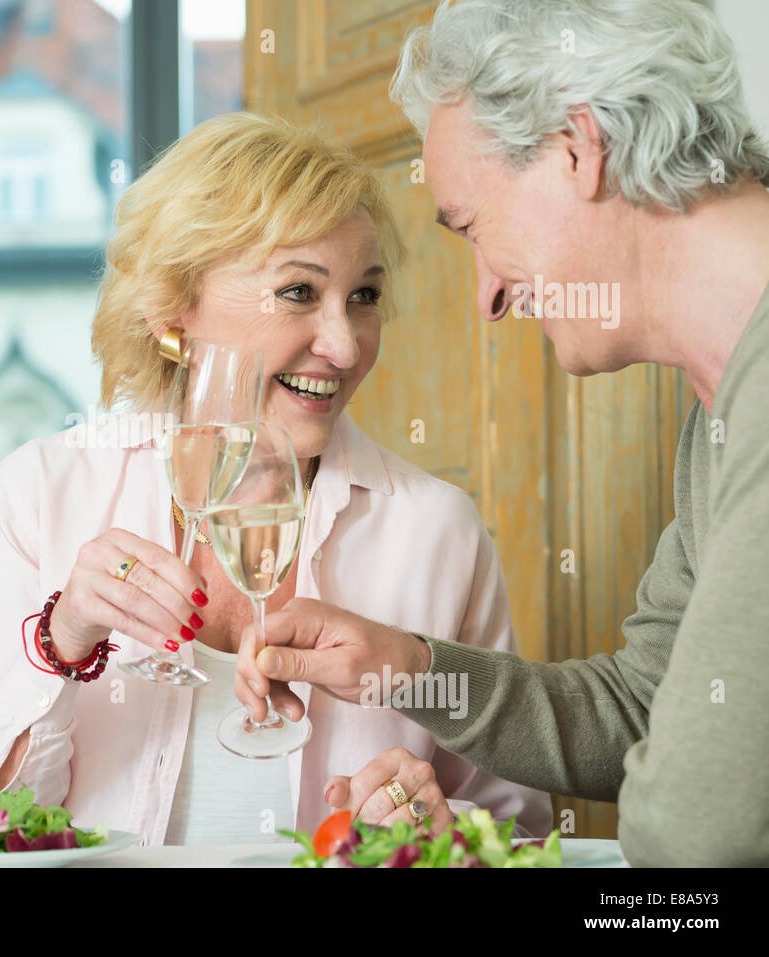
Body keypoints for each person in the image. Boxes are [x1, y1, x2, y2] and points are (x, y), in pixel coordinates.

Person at [0, 111, 551, 845]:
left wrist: (435, 826)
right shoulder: (39, 494)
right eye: (300, 291)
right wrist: (61, 642)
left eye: (363, 296)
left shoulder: (436, 530)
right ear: (175, 310)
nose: (343, 345)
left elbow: (518, 827)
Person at [236, 0, 769, 866]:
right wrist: (407, 667)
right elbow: (644, 702)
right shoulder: (721, 407)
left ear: (575, 147)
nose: (486, 295)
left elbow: (700, 833)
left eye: (474, 226)